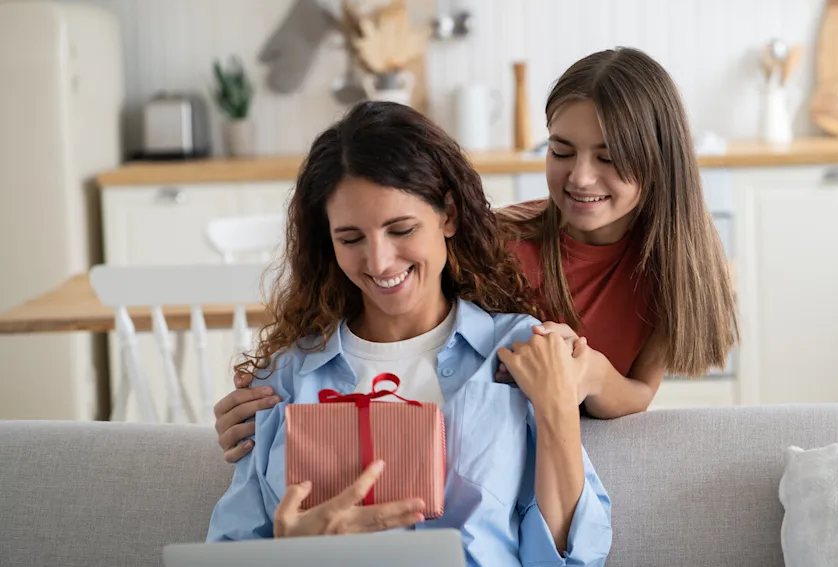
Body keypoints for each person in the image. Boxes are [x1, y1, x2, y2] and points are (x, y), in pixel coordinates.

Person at [213, 46, 738, 461]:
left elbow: (640, 390)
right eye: (560, 151)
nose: (579, 177)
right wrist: (278, 393)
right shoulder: (504, 241)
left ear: (660, 160)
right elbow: (389, 325)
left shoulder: (681, 268)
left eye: (609, 157)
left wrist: (592, 375)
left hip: (571, 456)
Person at [205, 100, 612, 566]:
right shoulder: (285, 381)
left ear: (449, 216)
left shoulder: (517, 354)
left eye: (400, 229)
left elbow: (575, 558)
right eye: (351, 238)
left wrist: (557, 410)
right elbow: (227, 553)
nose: (378, 262)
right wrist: (294, 553)